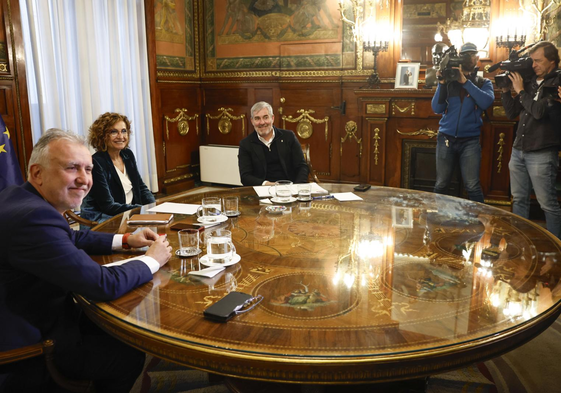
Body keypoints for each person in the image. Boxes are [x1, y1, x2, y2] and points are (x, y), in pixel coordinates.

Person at [0, 129, 172, 392]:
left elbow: (69, 237)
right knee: (129, 355)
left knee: (113, 328)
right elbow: (102, 285)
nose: (84, 180)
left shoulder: (19, 197)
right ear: (37, 173)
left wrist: (125, 240)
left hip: (31, 313)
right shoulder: (34, 219)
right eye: (72, 168)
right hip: (32, 348)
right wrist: (152, 260)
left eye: (88, 169)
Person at [501, 41, 561, 238]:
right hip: (519, 150)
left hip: (542, 152)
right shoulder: (529, 83)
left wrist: (520, 91)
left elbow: (538, 112)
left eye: (538, 61)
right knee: (518, 199)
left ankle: (556, 250)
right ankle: (520, 242)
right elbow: (511, 113)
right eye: (532, 61)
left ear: (552, 61)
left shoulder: (556, 83)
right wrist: (505, 91)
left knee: (548, 205)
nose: (533, 65)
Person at [431, 42, 495, 203]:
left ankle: (479, 223)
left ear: (477, 58)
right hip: (446, 139)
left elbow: (486, 102)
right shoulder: (449, 82)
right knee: (441, 184)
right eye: (465, 54)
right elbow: (437, 108)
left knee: (472, 186)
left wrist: (465, 82)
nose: (468, 58)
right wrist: (442, 83)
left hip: (470, 141)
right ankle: (437, 221)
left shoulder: (483, 83)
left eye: (472, 54)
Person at [80, 112, 156, 223]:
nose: (121, 136)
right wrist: (142, 210)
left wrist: (154, 206)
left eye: (124, 131)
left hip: (128, 213)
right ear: (102, 136)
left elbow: (141, 187)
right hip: (103, 219)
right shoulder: (96, 162)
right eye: (114, 132)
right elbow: (108, 206)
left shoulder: (127, 154)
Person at [238, 101, 309, 186]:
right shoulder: (246, 144)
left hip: (290, 189)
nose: (262, 122)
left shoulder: (288, 137)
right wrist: (267, 184)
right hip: (262, 191)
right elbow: (245, 177)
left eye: (265, 117)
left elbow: (302, 167)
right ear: (252, 121)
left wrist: (296, 187)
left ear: (272, 118)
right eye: (257, 118)